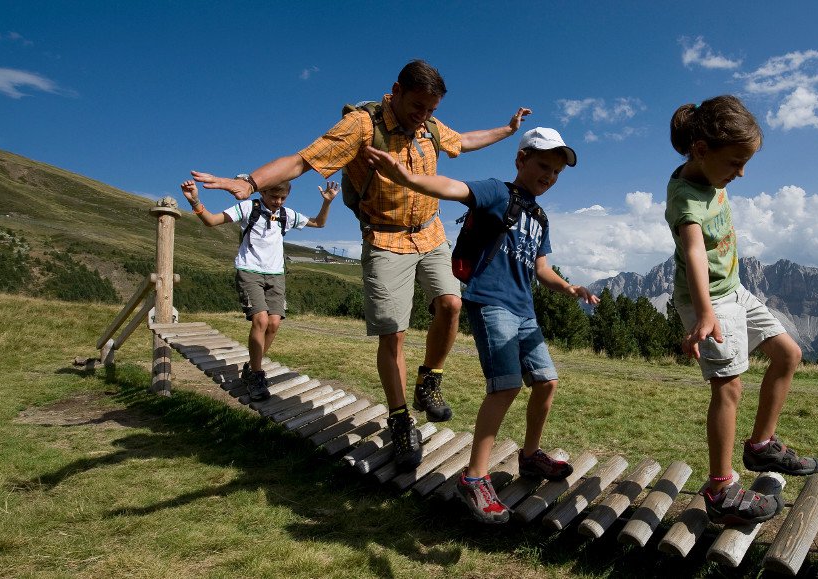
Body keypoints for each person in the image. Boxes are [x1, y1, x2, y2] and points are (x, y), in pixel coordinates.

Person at [190, 59, 531, 471]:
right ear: (396, 91)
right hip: (386, 238)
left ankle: (430, 380)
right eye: (417, 106)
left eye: (431, 110)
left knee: (451, 304)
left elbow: (466, 140)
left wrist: (507, 130)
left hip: (430, 231)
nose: (423, 116)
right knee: (394, 334)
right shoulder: (361, 126)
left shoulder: (430, 127)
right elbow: (302, 161)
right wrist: (250, 183)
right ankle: (401, 418)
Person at [368, 127, 597, 524]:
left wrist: (569, 287)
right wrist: (407, 178)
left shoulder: (539, 216)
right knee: (505, 386)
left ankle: (529, 456)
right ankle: (474, 479)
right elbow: (452, 187)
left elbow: (541, 268)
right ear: (521, 159)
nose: (549, 176)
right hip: (491, 304)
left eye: (557, 172)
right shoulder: (496, 192)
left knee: (547, 382)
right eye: (543, 165)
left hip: (524, 310)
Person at [665, 95, 818, 526]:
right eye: (735, 162)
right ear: (701, 150)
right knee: (728, 387)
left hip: (735, 290)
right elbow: (694, 252)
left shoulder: (708, 171)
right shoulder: (685, 199)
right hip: (708, 299)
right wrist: (704, 314)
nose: (741, 173)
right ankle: (720, 489)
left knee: (788, 354)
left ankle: (761, 446)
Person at [179, 179, 336, 401]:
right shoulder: (248, 208)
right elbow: (212, 221)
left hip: (276, 274)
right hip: (249, 271)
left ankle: (252, 368)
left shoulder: (286, 214)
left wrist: (327, 203)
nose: (277, 202)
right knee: (260, 320)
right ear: (263, 192)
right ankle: (257, 374)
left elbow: (319, 223)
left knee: (273, 323)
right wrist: (195, 201)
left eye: (282, 198)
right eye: (273, 197)